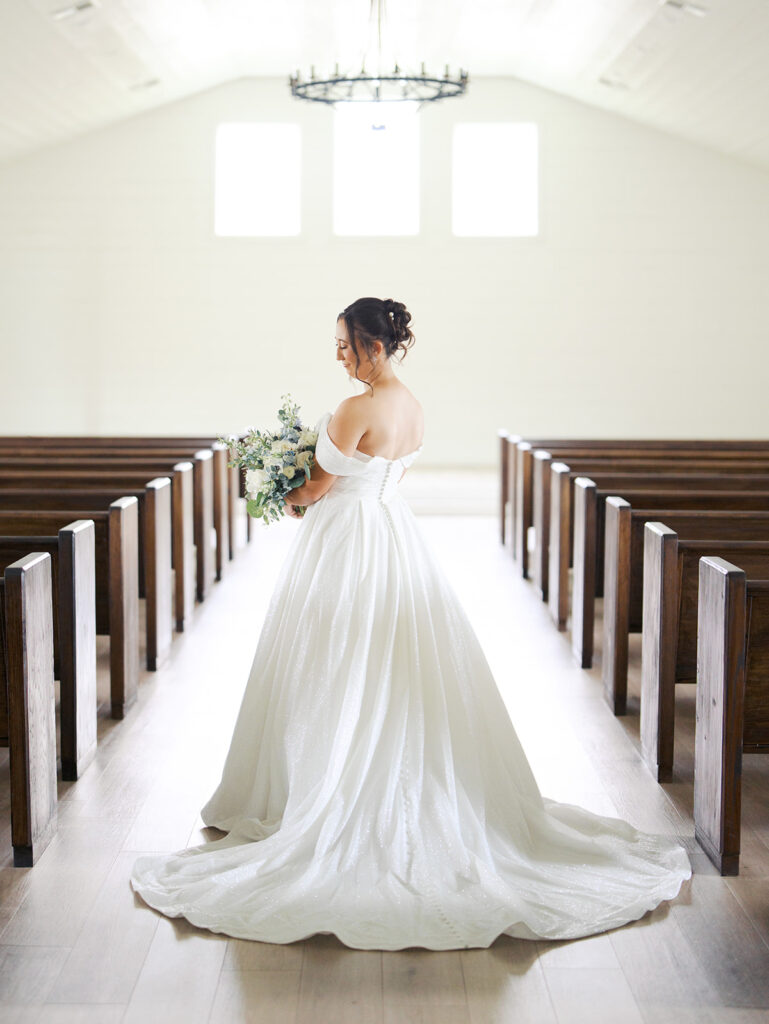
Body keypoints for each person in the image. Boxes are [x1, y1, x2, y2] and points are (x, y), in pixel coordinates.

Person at [130, 296, 691, 950]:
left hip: (345, 541)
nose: (337, 355)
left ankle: (316, 788)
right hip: (391, 534)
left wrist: (280, 489)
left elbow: (314, 488)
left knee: (329, 658)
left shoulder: (353, 409)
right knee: (387, 658)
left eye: (344, 343)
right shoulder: (413, 407)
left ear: (372, 343)